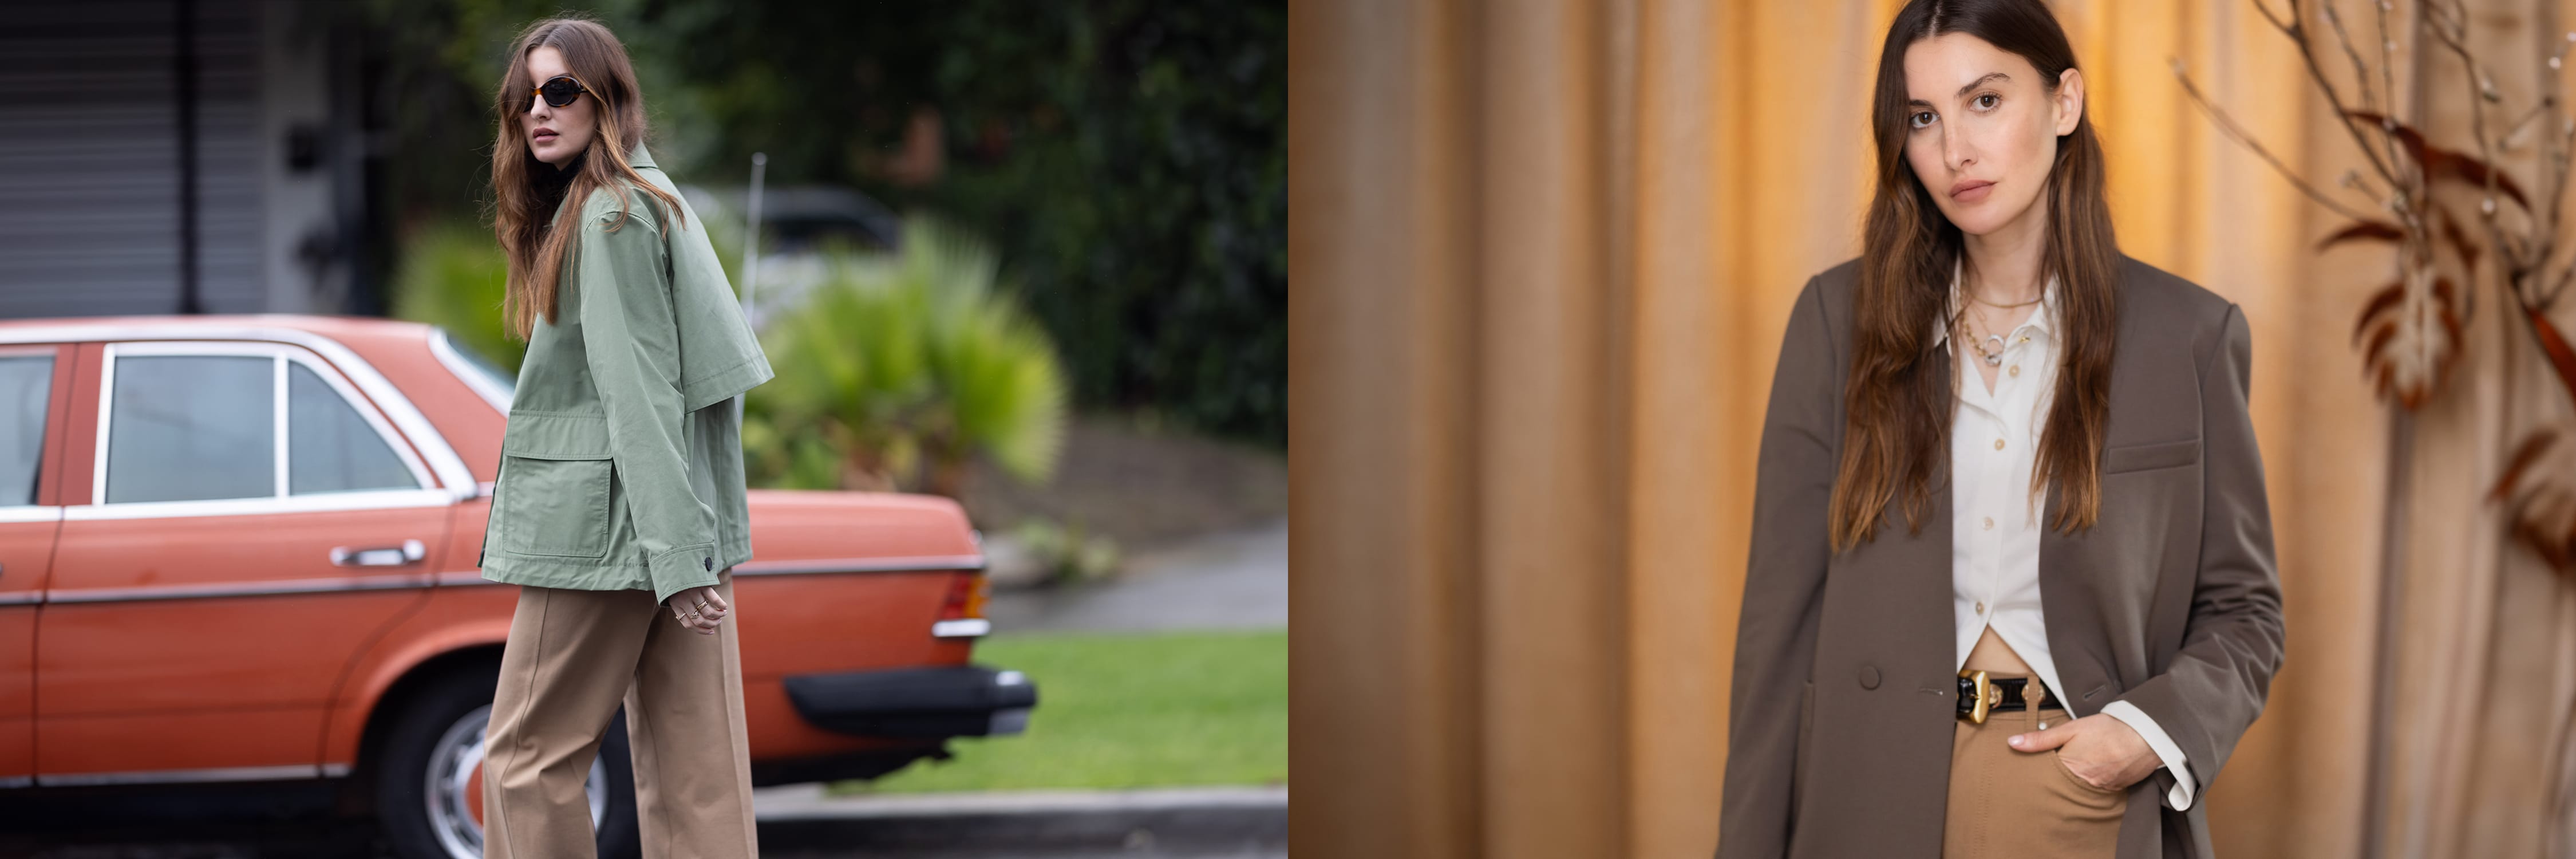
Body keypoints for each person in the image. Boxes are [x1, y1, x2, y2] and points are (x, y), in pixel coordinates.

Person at [1714, 1, 2284, 858]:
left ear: (2064, 104)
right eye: (1923, 118)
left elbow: (2246, 610)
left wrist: (2141, 733)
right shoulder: (1839, 323)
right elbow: (1778, 630)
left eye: (1986, 101)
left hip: (2078, 797)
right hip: (1867, 793)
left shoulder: (2190, 337)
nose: (1955, 152)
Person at [473, 15, 775, 859]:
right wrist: (688, 556)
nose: (538, 110)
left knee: (525, 763)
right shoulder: (648, 201)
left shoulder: (607, 218)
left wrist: (676, 561)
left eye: (561, 90)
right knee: (698, 771)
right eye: (524, 95)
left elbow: (638, 396)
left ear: (609, 100)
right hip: (672, 526)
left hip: (609, 533)